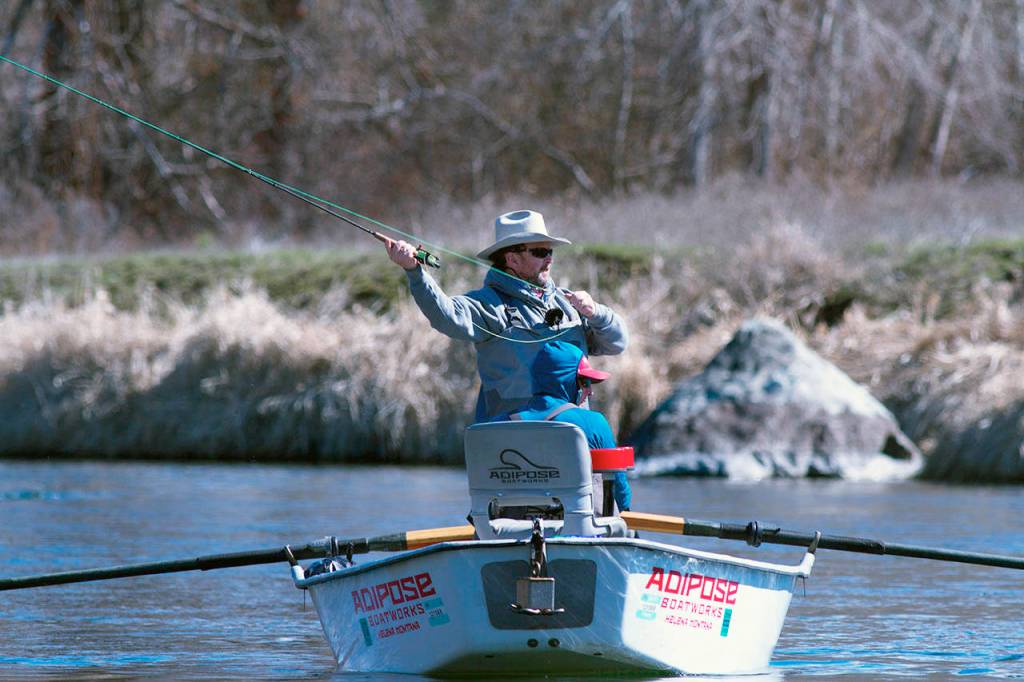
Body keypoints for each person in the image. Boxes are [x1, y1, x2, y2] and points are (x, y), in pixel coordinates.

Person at [385, 210, 628, 420]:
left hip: (573, 436)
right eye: (540, 252)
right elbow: (446, 316)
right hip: (513, 443)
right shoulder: (489, 304)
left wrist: (596, 312)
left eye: (550, 251)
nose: (549, 259)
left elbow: (618, 343)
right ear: (512, 258)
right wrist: (414, 272)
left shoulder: (569, 304)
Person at [494, 340, 631, 513]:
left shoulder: (498, 425)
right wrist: (627, 519)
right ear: (569, 381)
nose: (590, 391)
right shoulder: (594, 423)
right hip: (584, 530)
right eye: (585, 382)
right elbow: (620, 489)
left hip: (510, 530)